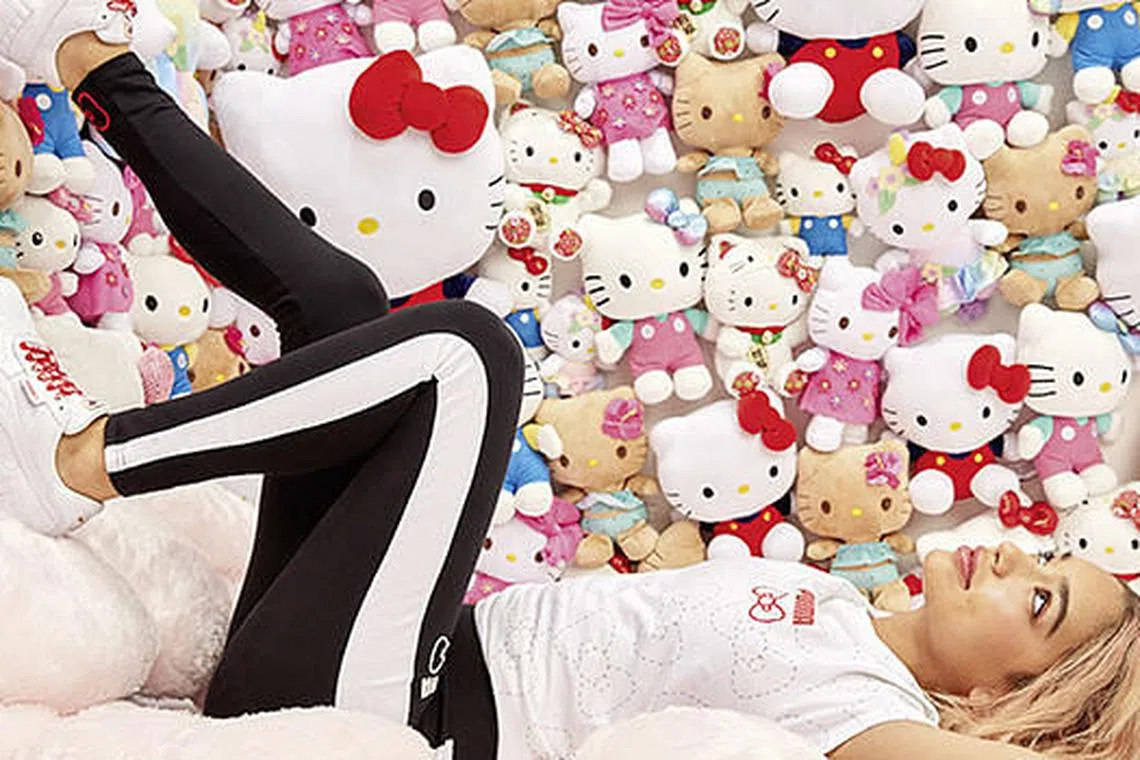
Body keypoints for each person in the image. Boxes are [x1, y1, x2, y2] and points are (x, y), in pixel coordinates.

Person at [0, 4, 1135, 760]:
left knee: (470, 355)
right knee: (341, 302)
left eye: (1040, 603)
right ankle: (94, 63)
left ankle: (73, 464)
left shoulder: (864, 712)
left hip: (394, 713)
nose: (1015, 558)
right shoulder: (843, 615)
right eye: (1047, 561)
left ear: (1003, 702)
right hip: (360, 650)